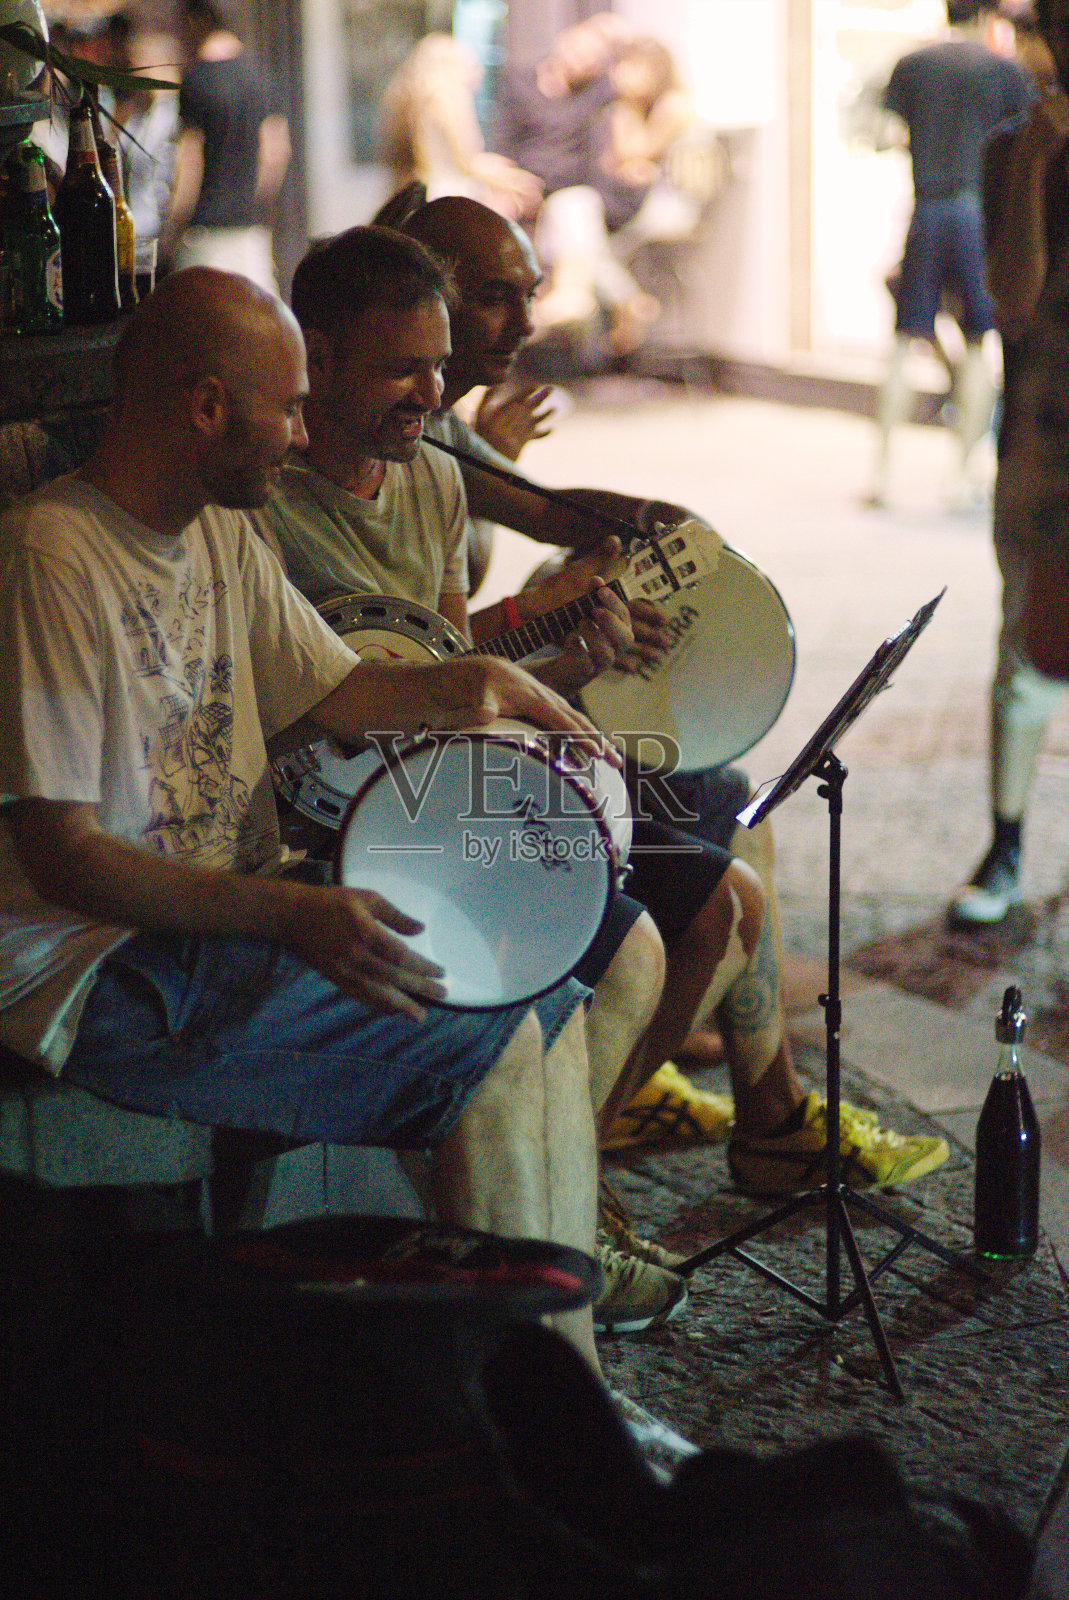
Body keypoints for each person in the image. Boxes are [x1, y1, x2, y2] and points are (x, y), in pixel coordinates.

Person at [259, 218, 951, 1251]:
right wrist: (518, 640)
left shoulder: (433, 474)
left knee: (724, 898)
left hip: (448, 782)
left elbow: (454, 668)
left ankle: (579, 1183)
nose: (431, 394)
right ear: (318, 357)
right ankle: (559, 1224)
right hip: (346, 815)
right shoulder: (264, 506)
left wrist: (571, 663)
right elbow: (351, 688)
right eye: (404, 369)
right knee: (640, 930)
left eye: (438, 368)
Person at [0, 266, 621, 1378]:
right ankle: (528, 1408)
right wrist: (291, 913)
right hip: (93, 967)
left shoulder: (218, 532)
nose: (300, 434)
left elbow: (340, 690)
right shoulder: (51, 553)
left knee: (541, 1004)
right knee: (481, 1049)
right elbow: (68, 861)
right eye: (287, 407)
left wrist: (483, 682)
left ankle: (562, 1390)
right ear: (206, 407)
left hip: (209, 928)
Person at [950, 0, 1069, 921]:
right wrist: (1033, 162)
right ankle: (1005, 845)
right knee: (1026, 633)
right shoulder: (1013, 148)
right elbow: (1013, 301)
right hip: (1044, 432)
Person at [868, 0, 1035, 510]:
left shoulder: (913, 64)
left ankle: (883, 474)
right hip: (977, 214)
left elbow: (882, 135)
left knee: (904, 340)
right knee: (981, 341)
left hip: (929, 206)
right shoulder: (1005, 71)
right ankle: (963, 476)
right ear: (986, 17)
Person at [159, 0, 290, 292]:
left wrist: (173, 228)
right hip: (250, 238)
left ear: (196, 20)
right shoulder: (260, 77)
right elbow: (275, 153)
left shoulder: (196, 81)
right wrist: (251, 207)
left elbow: (190, 161)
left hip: (204, 240)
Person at [378, 32, 542, 221]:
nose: (478, 69)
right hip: (451, 199)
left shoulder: (414, 102)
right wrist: (515, 180)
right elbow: (467, 161)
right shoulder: (450, 99)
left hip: (423, 195)